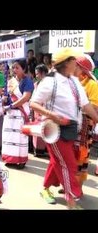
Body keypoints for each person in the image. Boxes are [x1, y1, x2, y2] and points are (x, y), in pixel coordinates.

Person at [30, 48, 98, 209]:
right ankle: (71, 201)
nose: (77, 63)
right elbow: (33, 103)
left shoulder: (74, 82)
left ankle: (47, 188)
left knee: (60, 162)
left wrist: (96, 118)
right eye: (74, 60)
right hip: (53, 129)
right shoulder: (50, 81)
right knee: (68, 165)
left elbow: (86, 105)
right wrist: (51, 115)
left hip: (72, 129)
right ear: (67, 63)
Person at [1, 59, 34, 168]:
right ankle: (10, 159)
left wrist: (11, 105)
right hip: (10, 114)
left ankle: (21, 160)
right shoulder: (10, 82)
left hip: (20, 113)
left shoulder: (27, 81)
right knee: (9, 137)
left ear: (23, 69)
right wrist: (4, 99)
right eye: (13, 67)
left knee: (20, 137)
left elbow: (25, 98)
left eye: (17, 67)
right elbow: (6, 96)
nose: (14, 70)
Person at [72, 54, 98, 188]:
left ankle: (78, 187)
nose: (72, 68)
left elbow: (94, 107)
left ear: (82, 69)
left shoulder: (92, 84)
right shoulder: (73, 82)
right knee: (71, 156)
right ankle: (71, 186)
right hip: (72, 124)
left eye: (75, 65)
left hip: (85, 125)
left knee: (81, 156)